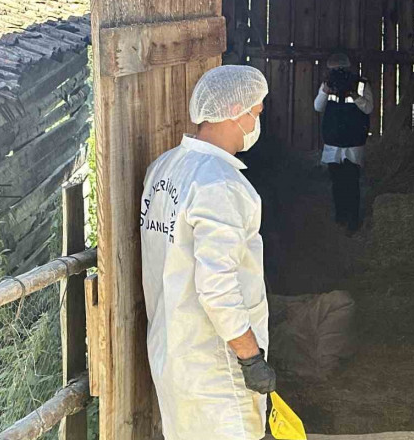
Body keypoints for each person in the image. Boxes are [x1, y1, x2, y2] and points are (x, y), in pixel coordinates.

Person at [139, 65, 275, 440]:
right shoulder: (221, 184)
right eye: (256, 112)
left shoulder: (163, 169)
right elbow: (217, 286)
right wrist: (250, 357)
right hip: (217, 367)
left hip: (172, 353)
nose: (256, 122)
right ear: (235, 109)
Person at [314, 53, 373, 233]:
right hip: (334, 141)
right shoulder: (328, 85)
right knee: (337, 180)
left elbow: (368, 108)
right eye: (335, 70)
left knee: (352, 181)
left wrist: (354, 94)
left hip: (353, 142)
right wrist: (325, 90)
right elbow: (317, 106)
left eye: (342, 70)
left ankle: (353, 220)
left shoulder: (361, 84)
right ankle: (341, 215)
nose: (339, 73)